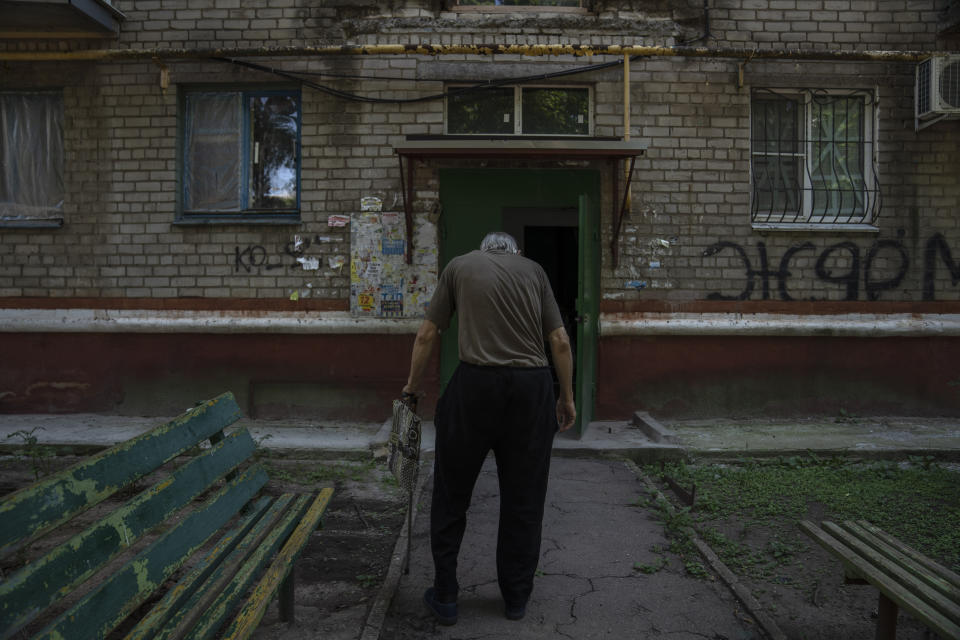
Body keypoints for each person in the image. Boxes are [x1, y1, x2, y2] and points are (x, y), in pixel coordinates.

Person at [401, 231, 576, 625]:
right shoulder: (534, 271)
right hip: (531, 391)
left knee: (452, 492)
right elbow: (560, 341)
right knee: (524, 497)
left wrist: (412, 389)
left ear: (483, 248)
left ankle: (445, 596)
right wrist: (565, 398)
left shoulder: (459, 266)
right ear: (515, 251)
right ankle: (516, 598)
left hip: (475, 387)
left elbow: (428, 332)